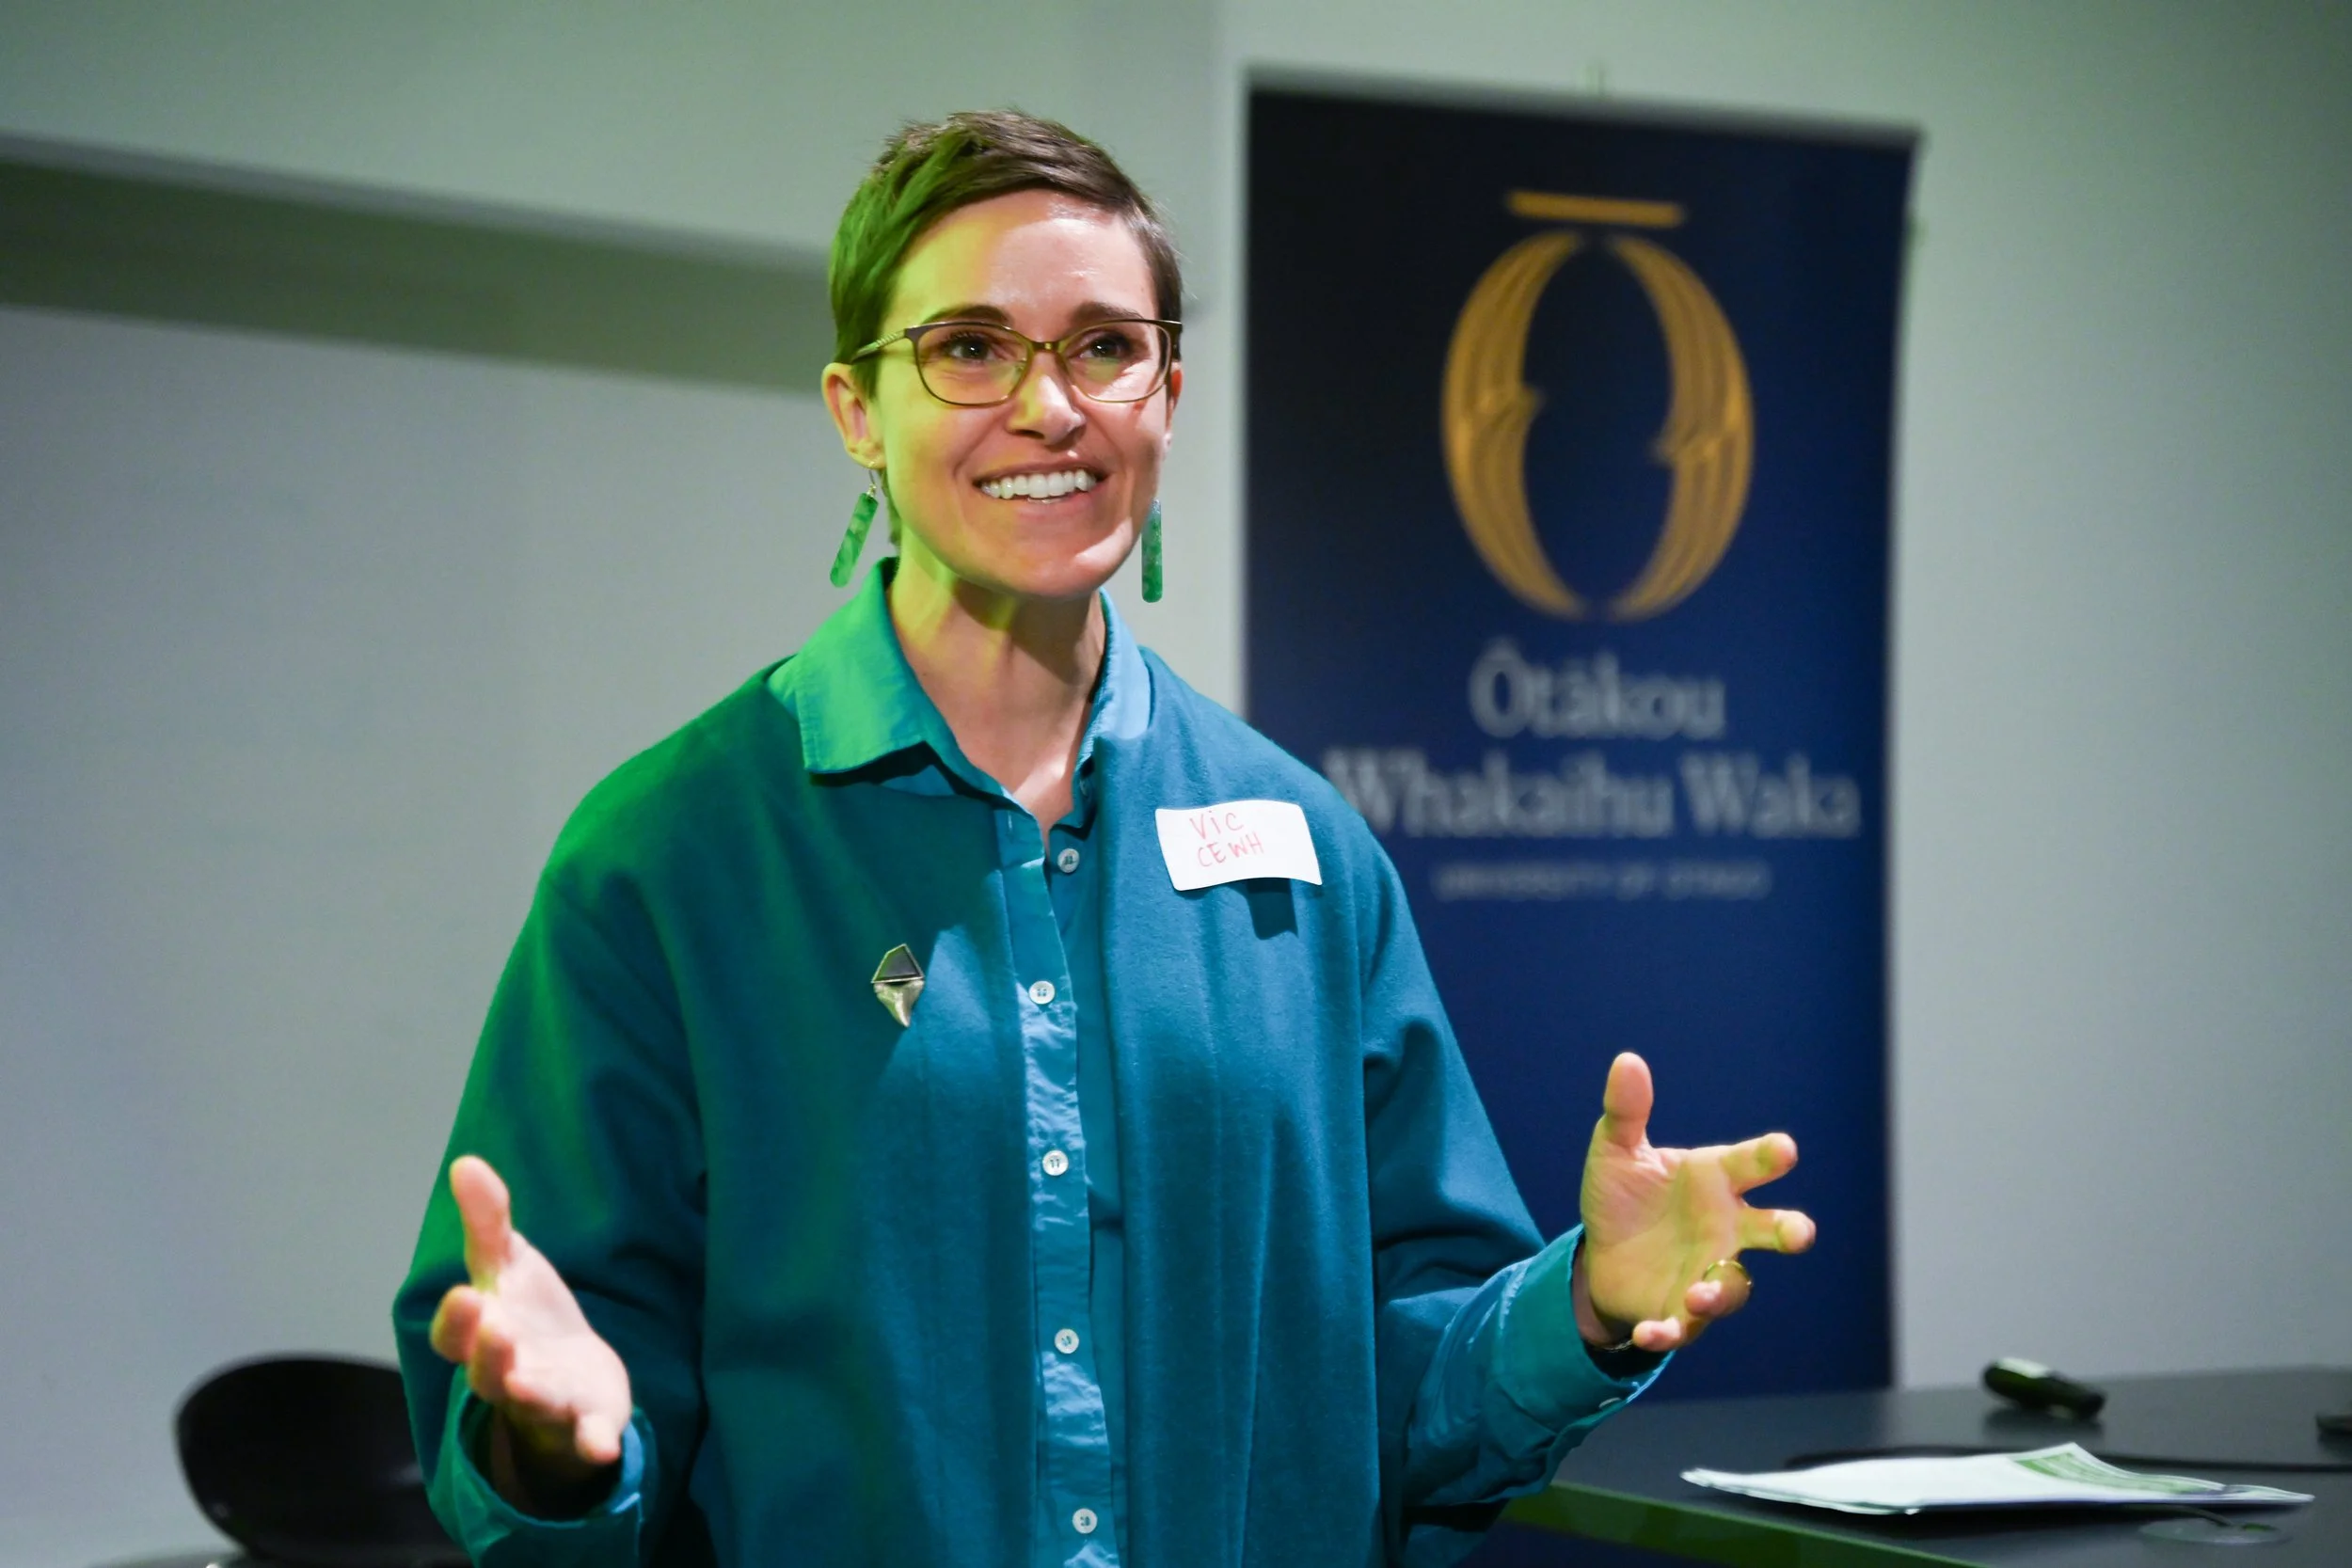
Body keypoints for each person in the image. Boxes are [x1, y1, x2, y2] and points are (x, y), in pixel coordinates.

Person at [391, 109, 1815, 1568]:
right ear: (856, 409)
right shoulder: (671, 858)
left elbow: (1399, 1395)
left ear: (1167, 395)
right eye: (969, 348)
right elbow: (551, 1404)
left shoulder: (1306, 855)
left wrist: (1581, 1306)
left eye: (1102, 347)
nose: (1048, 406)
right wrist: (552, 1445)